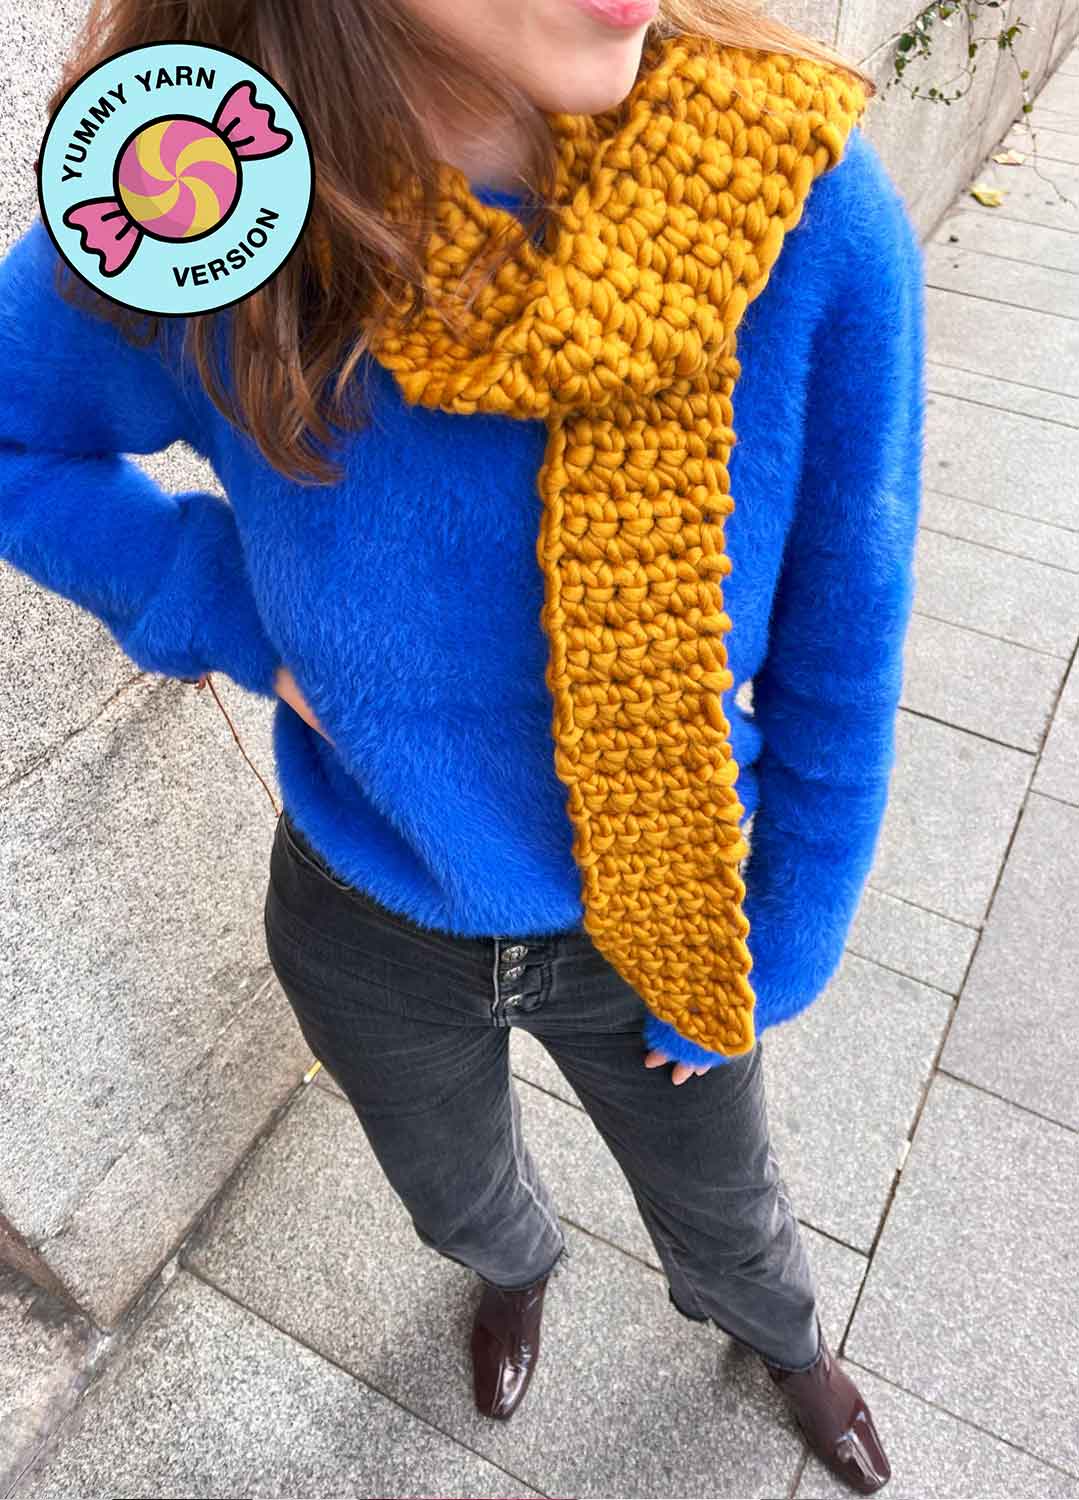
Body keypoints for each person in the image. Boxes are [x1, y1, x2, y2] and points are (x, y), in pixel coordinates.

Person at [0, 0, 926, 1492]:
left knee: (729, 1204)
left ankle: (783, 1338)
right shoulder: (209, 197)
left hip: (659, 923)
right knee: (450, 1189)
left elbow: (846, 639)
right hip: (368, 915)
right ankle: (513, 1270)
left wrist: (787, 938)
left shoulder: (801, 217)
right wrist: (228, 610)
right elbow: (16, 434)